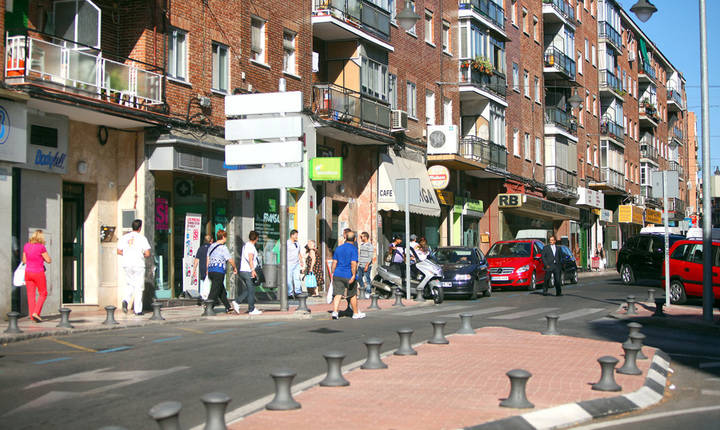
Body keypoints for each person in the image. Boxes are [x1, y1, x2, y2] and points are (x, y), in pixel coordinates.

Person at [117, 220, 151, 315]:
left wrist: (128, 253)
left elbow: (119, 251)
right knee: (138, 287)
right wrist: (140, 254)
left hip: (127, 264)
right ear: (140, 228)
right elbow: (147, 253)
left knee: (129, 284)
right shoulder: (142, 238)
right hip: (138, 264)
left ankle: (125, 300)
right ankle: (138, 310)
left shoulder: (124, 237)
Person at [330, 231, 365, 320]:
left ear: (345, 238)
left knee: (337, 294)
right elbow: (353, 263)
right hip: (348, 274)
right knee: (352, 294)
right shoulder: (353, 249)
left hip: (338, 274)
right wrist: (353, 275)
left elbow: (334, 262)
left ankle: (335, 312)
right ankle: (356, 313)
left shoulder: (338, 248)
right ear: (355, 239)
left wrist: (332, 272)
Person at [22, 230, 52, 322]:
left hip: (28, 273)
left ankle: (32, 317)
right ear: (41, 237)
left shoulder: (26, 246)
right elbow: (48, 260)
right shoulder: (41, 247)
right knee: (43, 293)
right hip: (38, 272)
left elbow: (24, 261)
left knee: (31, 295)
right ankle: (36, 312)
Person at [206, 229, 237, 313]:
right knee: (215, 289)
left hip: (211, 270)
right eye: (225, 237)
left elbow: (208, 258)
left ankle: (228, 307)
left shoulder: (211, 246)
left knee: (221, 290)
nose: (226, 239)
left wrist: (207, 269)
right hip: (219, 271)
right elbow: (230, 260)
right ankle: (208, 307)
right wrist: (234, 268)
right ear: (223, 237)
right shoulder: (223, 248)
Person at [233, 231, 262, 315]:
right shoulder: (251, 247)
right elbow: (250, 258)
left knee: (250, 289)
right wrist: (253, 270)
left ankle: (240, 303)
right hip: (248, 271)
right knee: (251, 290)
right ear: (256, 238)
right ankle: (251, 309)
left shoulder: (246, 245)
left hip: (244, 270)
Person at [192, 233, 214, 298]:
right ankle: (210, 298)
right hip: (211, 268)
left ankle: (204, 297)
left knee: (204, 283)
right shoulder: (212, 248)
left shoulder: (201, 248)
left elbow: (196, 260)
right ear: (211, 240)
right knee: (211, 284)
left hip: (202, 268)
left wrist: (194, 270)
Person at [357, 232, 375, 299]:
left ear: (365, 237)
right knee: (359, 278)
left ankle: (368, 292)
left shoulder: (370, 245)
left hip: (367, 265)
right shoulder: (361, 245)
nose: (361, 238)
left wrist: (367, 265)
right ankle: (362, 291)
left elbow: (370, 257)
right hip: (360, 264)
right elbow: (360, 254)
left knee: (367, 279)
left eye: (361, 237)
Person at [287, 229, 304, 299]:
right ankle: (289, 293)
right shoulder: (287, 243)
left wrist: (301, 261)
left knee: (297, 277)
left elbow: (299, 253)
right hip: (289, 263)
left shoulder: (297, 243)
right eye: (296, 235)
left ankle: (298, 292)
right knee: (289, 278)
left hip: (296, 263)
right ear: (292, 235)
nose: (297, 236)